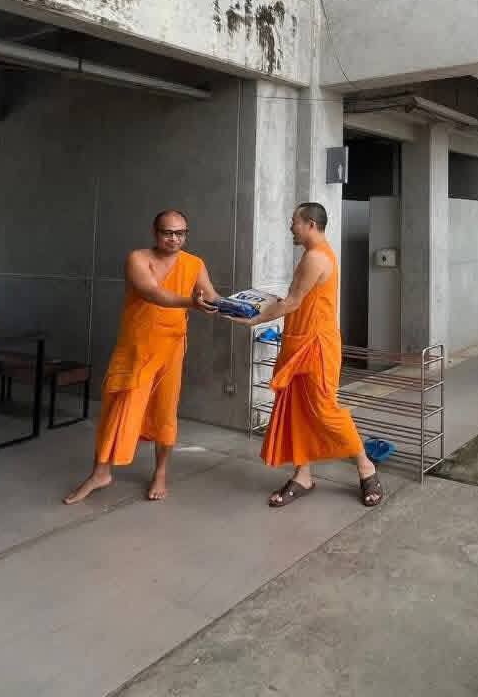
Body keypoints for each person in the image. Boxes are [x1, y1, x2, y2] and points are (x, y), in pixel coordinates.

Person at [220, 202, 383, 509]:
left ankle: (365, 466)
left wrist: (254, 319)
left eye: (293, 222)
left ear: (309, 224)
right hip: (299, 341)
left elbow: (293, 303)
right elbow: (296, 300)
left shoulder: (316, 258)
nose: (290, 227)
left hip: (316, 346)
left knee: (324, 411)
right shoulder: (313, 255)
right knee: (297, 409)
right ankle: (303, 474)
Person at [65, 210, 219, 505]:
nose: (174, 239)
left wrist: (245, 309)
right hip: (136, 347)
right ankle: (101, 472)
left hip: (171, 349)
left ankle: (160, 472)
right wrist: (191, 302)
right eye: (168, 233)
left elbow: (210, 295)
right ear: (155, 232)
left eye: (180, 233)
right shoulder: (138, 258)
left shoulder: (194, 263)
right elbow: (151, 292)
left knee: (164, 411)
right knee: (118, 405)